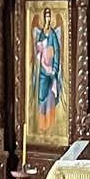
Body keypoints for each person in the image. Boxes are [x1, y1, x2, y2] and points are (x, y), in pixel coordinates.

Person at [32, 10, 65, 142]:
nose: (47, 18)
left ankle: (50, 125)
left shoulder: (53, 34)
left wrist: (55, 68)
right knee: (41, 96)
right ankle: (42, 125)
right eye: (45, 16)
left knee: (50, 97)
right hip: (42, 70)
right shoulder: (41, 33)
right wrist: (41, 49)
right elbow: (37, 48)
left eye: (49, 16)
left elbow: (56, 50)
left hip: (51, 69)